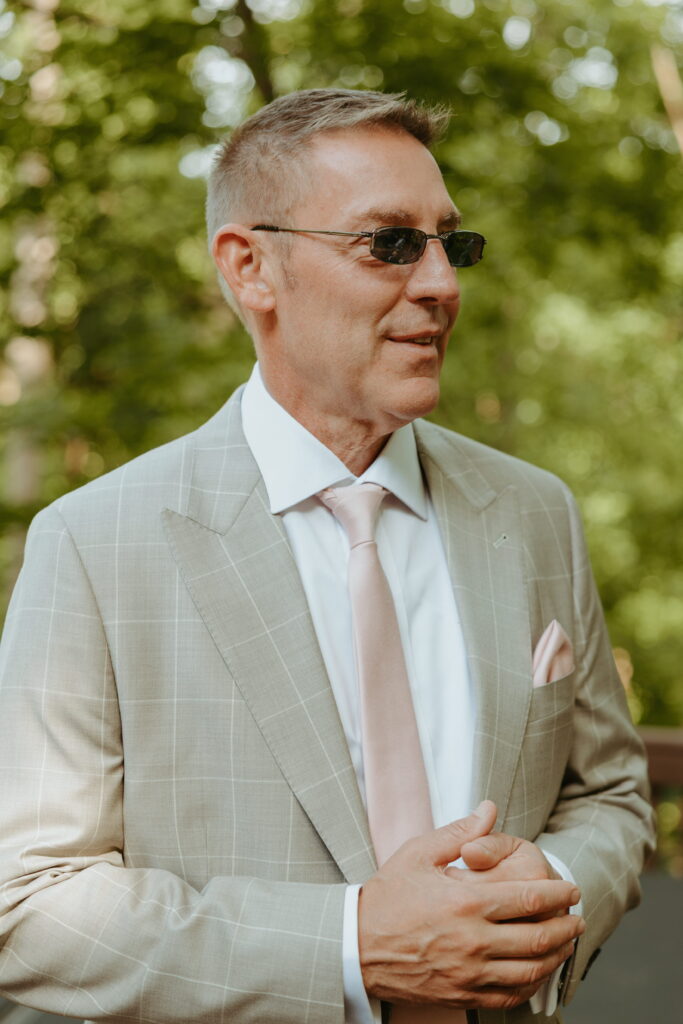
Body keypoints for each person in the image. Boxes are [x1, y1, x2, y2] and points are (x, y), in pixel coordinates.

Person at [0, 89, 654, 1024]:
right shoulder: (95, 542)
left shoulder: (533, 511)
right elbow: (26, 906)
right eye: (389, 243)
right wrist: (354, 945)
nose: (441, 284)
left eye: (449, 243)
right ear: (250, 266)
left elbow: (612, 795)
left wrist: (544, 887)